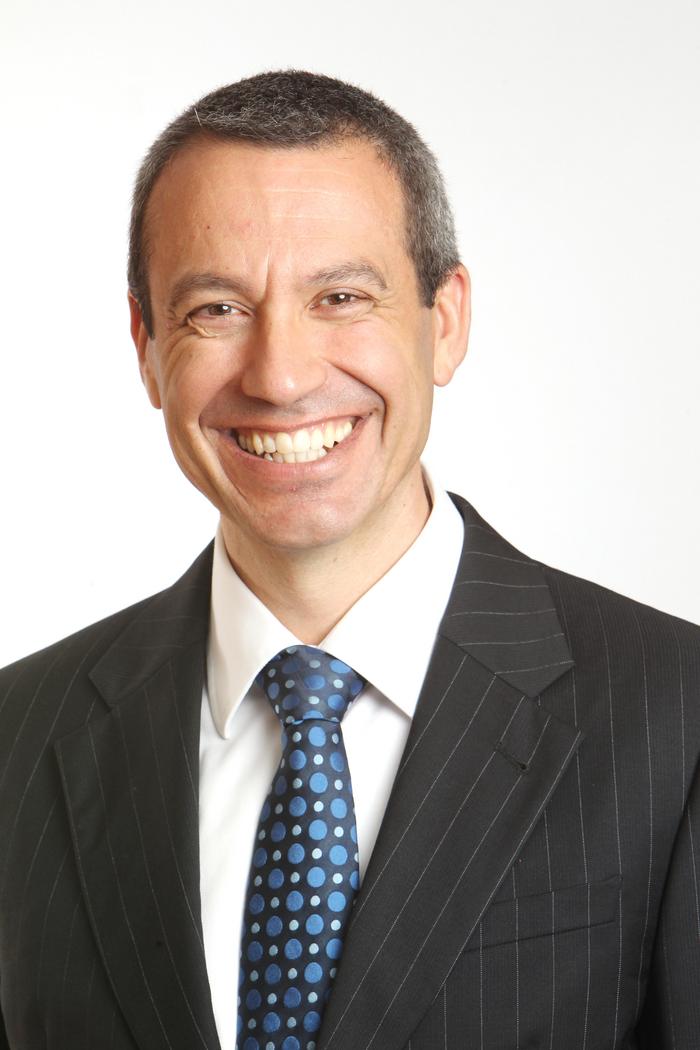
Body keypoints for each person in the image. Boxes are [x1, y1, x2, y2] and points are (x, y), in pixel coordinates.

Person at [0, 69, 698, 1050]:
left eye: (340, 296)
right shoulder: (18, 739)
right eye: (216, 310)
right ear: (146, 346)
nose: (281, 376)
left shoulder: (677, 717)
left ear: (444, 321)